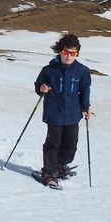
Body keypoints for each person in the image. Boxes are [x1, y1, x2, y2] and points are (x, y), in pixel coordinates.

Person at [34, 33, 92, 189]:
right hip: (54, 113)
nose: (69, 56)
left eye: (73, 53)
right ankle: (49, 172)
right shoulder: (49, 70)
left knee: (71, 144)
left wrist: (86, 107)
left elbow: (84, 90)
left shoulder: (82, 71)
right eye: (66, 52)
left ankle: (60, 165)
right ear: (60, 51)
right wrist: (42, 88)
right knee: (53, 144)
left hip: (73, 114)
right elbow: (39, 86)